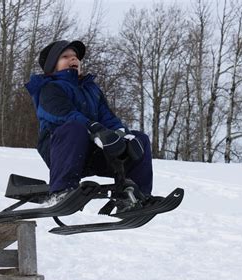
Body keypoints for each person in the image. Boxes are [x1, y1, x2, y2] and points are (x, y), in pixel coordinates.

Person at [25, 40, 153, 203]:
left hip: (94, 151)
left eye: (76, 57)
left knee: (138, 139)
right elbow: (64, 114)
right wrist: (95, 129)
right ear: (52, 66)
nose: (73, 59)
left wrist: (122, 134)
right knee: (75, 128)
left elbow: (108, 117)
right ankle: (61, 191)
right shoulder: (49, 88)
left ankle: (134, 196)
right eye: (65, 56)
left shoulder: (91, 90)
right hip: (62, 150)